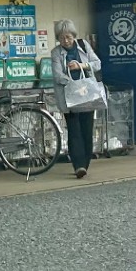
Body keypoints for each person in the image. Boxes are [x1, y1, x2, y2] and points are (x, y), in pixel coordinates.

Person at [49, 19, 104, 178]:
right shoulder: (56, 53)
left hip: (87, 95)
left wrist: (81, 66)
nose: (66, 41)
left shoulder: (84, 45)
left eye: (68, 37)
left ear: (74, 36)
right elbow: (57, 75)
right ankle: (78, 165)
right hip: (69, 96)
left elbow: (97, 64)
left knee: (87, 129)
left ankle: (85, 163)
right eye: (61, 38)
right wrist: (72, 83)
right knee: (74, 130)